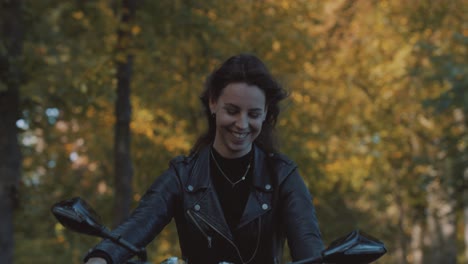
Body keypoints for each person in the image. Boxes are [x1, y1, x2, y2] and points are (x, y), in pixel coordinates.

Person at [84, 54, 324, 264]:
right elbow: (140, 223)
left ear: (265, 115)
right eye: (232, 111)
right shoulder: (182, 175)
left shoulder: (283, 175)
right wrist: (102, 256)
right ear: (212, 103)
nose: (242, 124)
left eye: (253, 114)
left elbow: (309, 248)